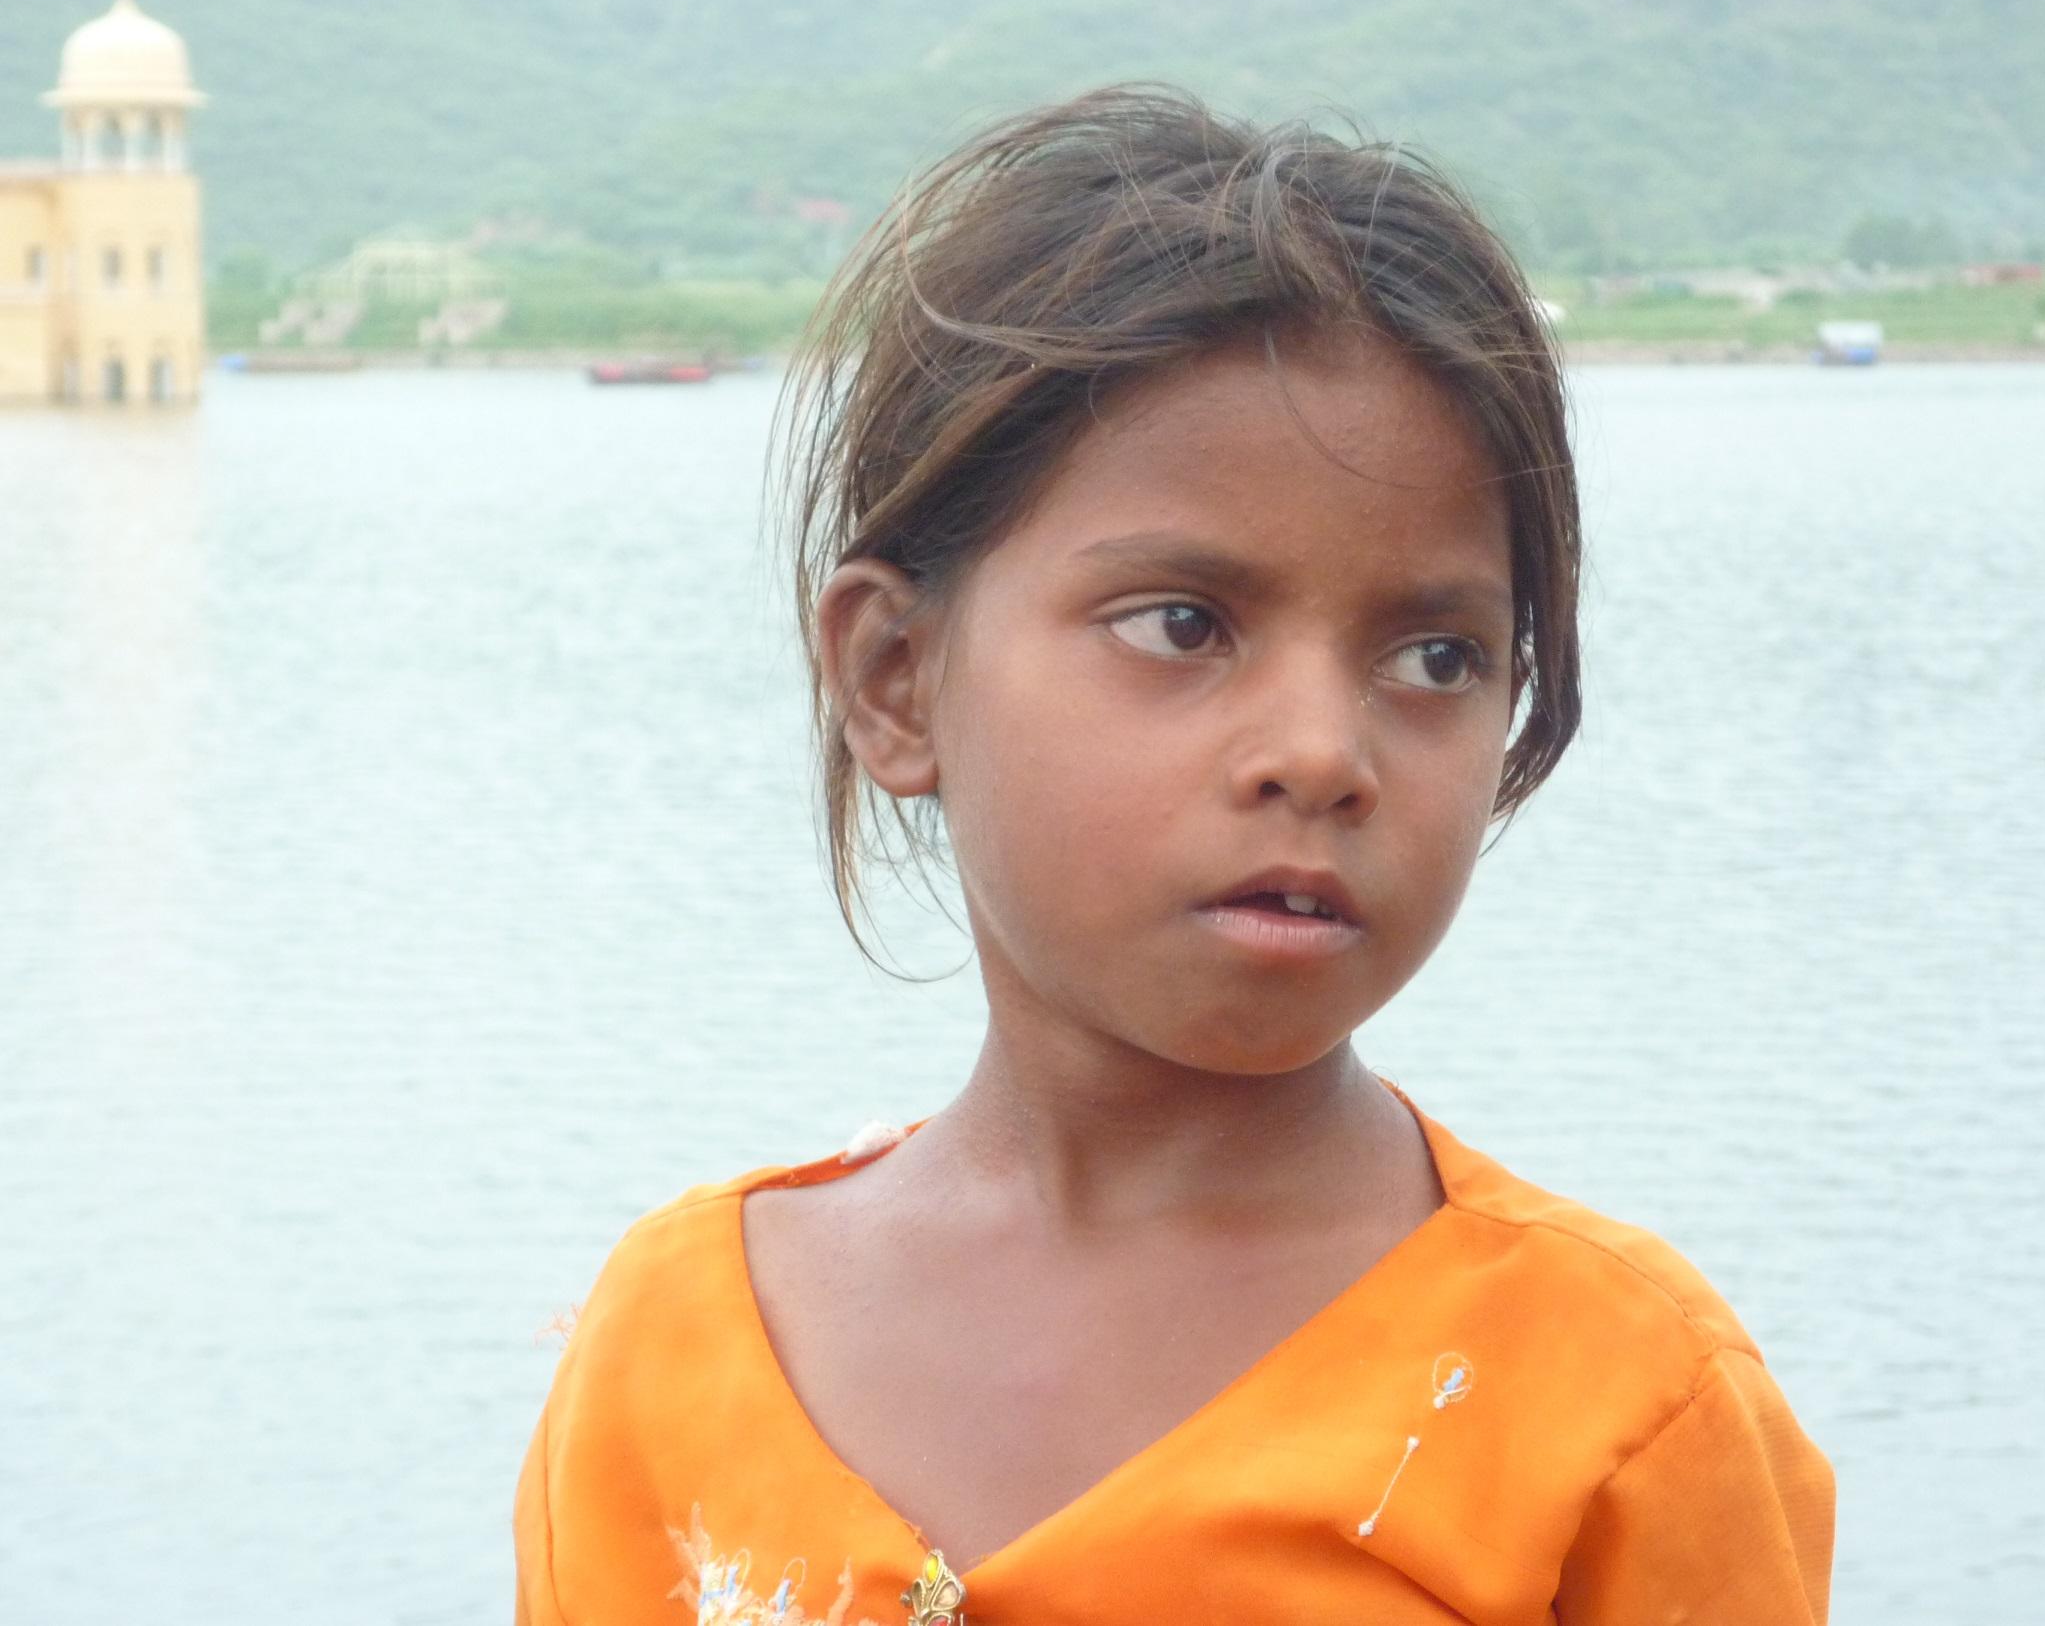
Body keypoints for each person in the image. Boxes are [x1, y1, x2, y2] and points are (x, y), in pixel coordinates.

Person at [512, 85, 1835, 1625]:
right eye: (1182, 626)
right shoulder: (674, 1340)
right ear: (891, 675)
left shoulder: (1617, 1400)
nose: (1322, 752)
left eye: (1434, 655)